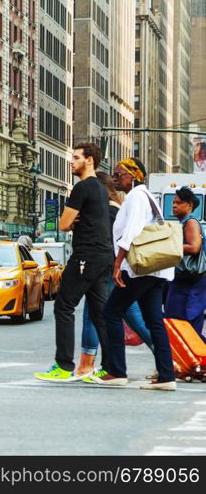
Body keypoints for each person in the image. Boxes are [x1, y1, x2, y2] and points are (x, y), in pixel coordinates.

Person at [92, 158, 176, 391]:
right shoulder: (148, 197)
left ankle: (117, 371)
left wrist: (117, 264)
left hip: (141, 269)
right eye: (115, 175)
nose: (115, 178)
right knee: (154, 321)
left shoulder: (137, 197)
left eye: (120, 174)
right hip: (156, 270)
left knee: (111, 311)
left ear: (134, 176)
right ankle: (167, 376)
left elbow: (132, 231)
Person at [35, 143, 114, 383]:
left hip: (85, 255)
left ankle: (63, 365)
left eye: (76, 157)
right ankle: (112, 368)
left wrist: (72, 219)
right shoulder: (100, 189)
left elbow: (63, 224)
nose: (72, 161)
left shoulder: (82, 187)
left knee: (64, 306)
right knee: (101, 313)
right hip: (103, 256)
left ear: (89, 160)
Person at [77, 172, 153, 381]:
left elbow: (112, 241)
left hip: (108, 270)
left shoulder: (109, 209)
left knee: (95, 316)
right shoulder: (114, 208)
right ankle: (169, 360)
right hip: (113, 269)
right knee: (134, 318)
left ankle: (89, 365)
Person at [165, 186, 206, 341]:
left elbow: (194, 247)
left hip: (190, 282)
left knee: (185, 325)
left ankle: (193, 360)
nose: (174, 205)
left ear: (189, 205)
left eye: (179, 202)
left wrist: (168, 247)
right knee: (181, 324)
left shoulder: (190, 222)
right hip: (186, 281)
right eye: (173, 202)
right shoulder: (184, 222)